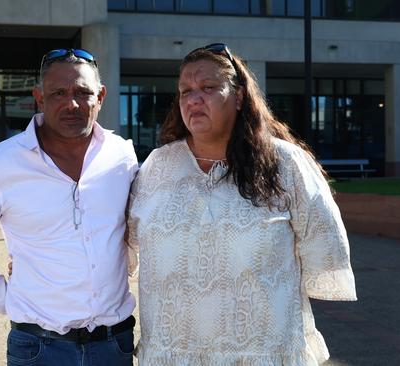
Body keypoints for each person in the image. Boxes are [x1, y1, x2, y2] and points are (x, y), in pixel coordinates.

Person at [127, 43, 357, 365]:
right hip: (172, 353)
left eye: (208, 88)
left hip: (261, 353)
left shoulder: (285, 165)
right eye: (185, 91)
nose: (194, 99)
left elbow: (323, 250)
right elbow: (129, 253)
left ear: (238, 97)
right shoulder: (156, 167)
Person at [0, 48, 138, 366]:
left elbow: (137, 227)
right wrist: (6, 299)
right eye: (58, 93)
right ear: (39, 97)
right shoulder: (0, 164)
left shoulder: (122, 157)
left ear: (100, 96)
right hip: (39, 348)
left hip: (113, 347)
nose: (71, 103)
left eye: (82, 92)